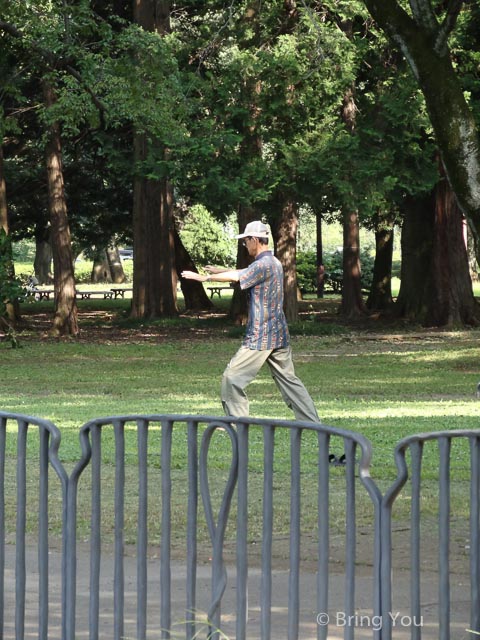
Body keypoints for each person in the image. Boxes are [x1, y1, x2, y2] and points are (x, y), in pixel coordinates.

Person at [181, 220, 320, 422]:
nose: (245, 245)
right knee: (289, 380)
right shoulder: (272, 262)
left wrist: (204, 278)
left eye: (246, 241)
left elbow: (240, 276)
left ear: (255, 240)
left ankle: (237, 423)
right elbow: (244, 273)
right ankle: (312, 422)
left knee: (232, 378)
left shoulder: (264, 264)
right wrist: (220, 270)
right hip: (278, 333)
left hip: (262, 335)